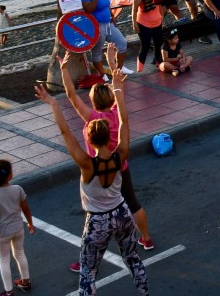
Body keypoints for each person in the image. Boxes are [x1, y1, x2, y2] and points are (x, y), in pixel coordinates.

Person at [32, 76, 149, 295]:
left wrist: (53, 103)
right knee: (132, 259)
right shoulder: (120, 155)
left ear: (90, 140)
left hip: (98, 221)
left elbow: (65, 132)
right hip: (122, 213)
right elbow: (124, 121)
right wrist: (118, 89)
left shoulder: (87, 165)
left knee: (88, 271)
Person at [59, 47, 156, 263]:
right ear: (111, 98)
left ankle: (87, 258)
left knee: (94, 216)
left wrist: (64, 69)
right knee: (132, 202)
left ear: (93, 101)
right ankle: (146, 238)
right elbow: (119, 93)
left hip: (97, 171)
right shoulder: (118, 114)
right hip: (120, 166)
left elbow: (71, 95)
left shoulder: (92, 117)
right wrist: (112, 66)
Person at [0, 159, 34, 296]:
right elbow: (25, 208)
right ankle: (26, 282)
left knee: (4, 260)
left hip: (3, 233)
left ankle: (8, 292)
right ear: (9, 176)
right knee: (20, 253)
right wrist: (30, 223)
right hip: (18, 228)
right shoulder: (18, 189)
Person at [78, 0, 133, 76]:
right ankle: (102, 75)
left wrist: (112, 15)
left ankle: (119, 69)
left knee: (122, 44)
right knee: (97, 51)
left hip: (108, 23)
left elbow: (106, 4)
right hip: (97, 26)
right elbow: (88, 10)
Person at [131, 0, 165, 72]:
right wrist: (134, 23)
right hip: (144, 24)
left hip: (157, 22)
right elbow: (134, 9)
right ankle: (140, 69)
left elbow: (159, 5)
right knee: (145, 46)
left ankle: (159, 62)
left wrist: (162, 16)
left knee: (158, 44)